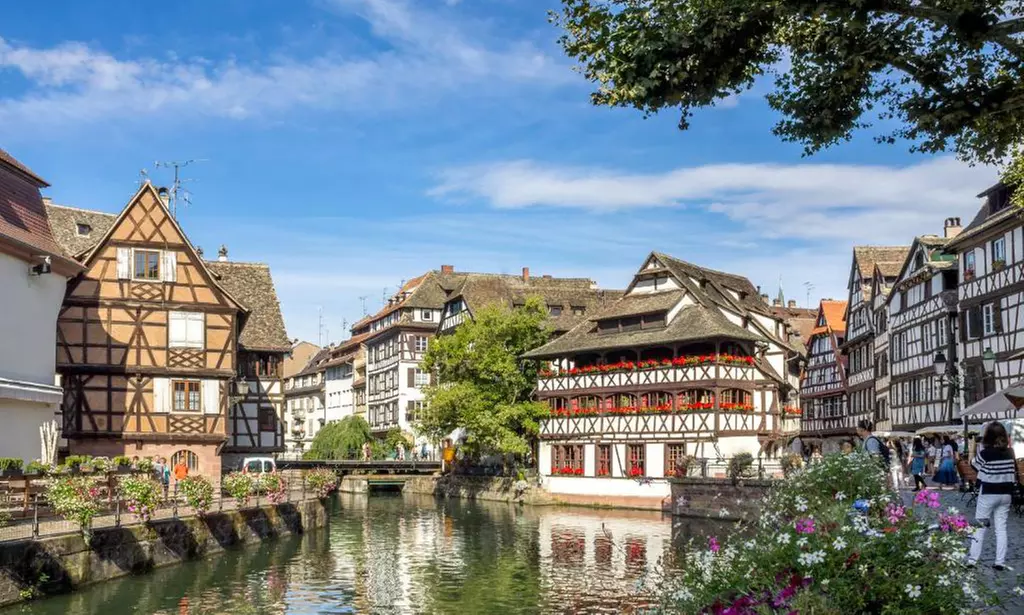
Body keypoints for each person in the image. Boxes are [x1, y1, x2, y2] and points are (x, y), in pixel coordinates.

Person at [968, 422, 1017, 570]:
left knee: (980, 527)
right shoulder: (1011, 452)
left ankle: (972, 560)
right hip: (1006, 494)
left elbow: (974, 465)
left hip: (989, 493)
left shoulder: (986, 453)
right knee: (1001, 528)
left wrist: (973, 448)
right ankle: (999, 562)